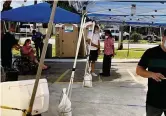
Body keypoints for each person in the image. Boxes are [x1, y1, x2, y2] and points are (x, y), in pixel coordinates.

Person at [136, 29, 166, 116]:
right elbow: (139, 70)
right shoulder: (151, 53)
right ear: (163, 38)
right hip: (154, 101)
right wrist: (151, 74)